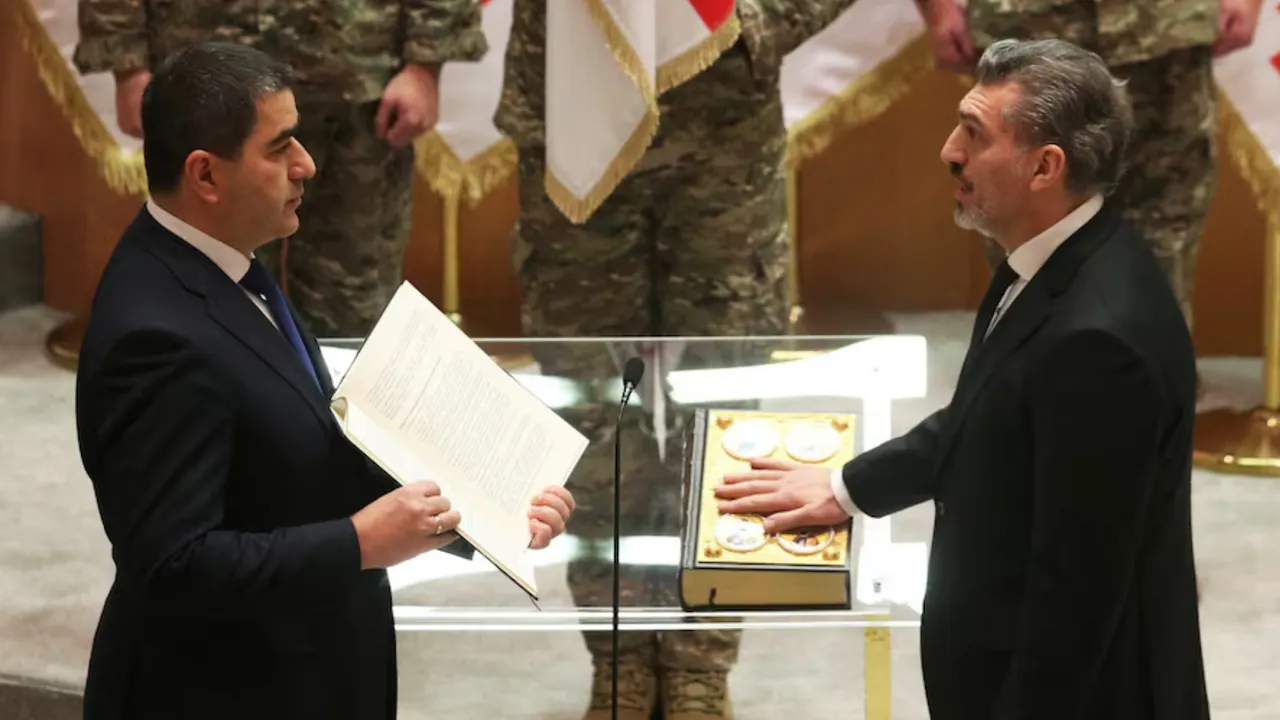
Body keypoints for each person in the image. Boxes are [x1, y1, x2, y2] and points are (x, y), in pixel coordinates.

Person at [74, 42, 574, 720]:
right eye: (280, 147)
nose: (306, 164)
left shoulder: (223, 261)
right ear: (206, 174)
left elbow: (300, 455)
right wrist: (361, 542)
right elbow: (171, 566)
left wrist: (490, 509)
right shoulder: (155, 339)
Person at [715, 39, 1206, 720]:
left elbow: (1074, 600)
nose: (949, 151)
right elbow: (992, 416)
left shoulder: (1098, 344)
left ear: (1045, 167)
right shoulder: (1050, 259)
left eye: (974, 135)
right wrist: (848, 487)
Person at [495, 2, 856, 718]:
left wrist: (756, 18)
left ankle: (700, 661)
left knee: (724, 410)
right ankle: (618, 654)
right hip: (574, 107)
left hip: (723, 133)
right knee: (592, 412)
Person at [73, 0, 487, 337]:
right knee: (209, 289)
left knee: (354, 300)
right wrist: (127, 65)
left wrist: (425, 64)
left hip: (356, 77)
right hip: (205, 89)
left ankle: (340, 415)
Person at [916, 0, 1260, 349]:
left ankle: (1150, 379)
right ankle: (1026, 380)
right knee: (1024, 247)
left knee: (1165, 240)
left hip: (1165, 35)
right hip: (1025, 32)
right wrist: (938, 7)